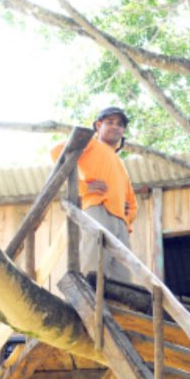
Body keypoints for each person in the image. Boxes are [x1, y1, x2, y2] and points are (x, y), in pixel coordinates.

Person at [51, 107, 138, 283]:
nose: (115, 127)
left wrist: (127, 217)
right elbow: (57, 151)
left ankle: (117, 308)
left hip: (121, 222)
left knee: (122, 274)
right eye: (110, 122)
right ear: (98, 125)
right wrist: (82, 187)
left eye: (120, 124)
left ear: (123, 131)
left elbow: (132, 201)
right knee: (95, 262)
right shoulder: (92, 143)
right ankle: (88, 299)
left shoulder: (120, 163)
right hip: (98, 208)